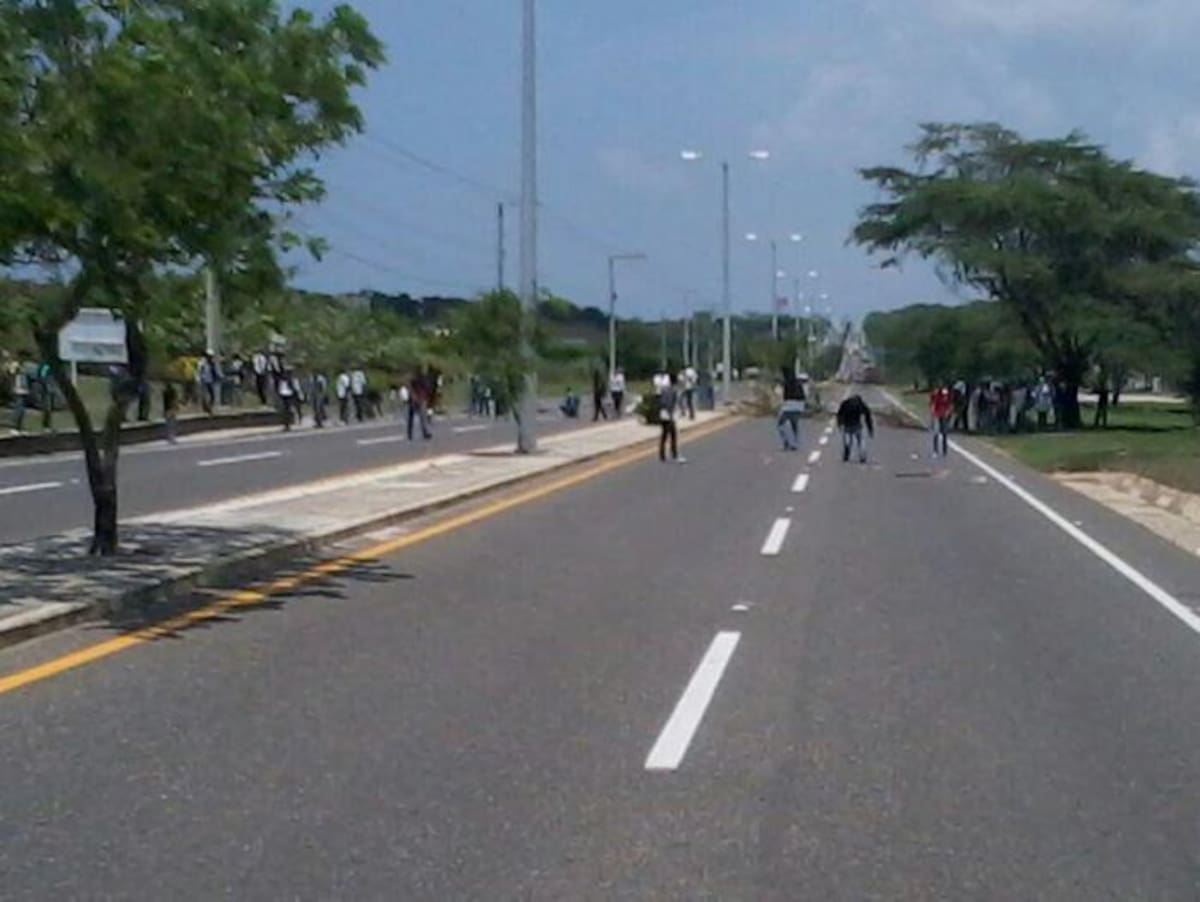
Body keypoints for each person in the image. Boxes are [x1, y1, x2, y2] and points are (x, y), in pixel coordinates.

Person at [837, 393, 874, 464]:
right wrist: (870, 430)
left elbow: (839, 414)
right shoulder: (861, 404)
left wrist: (840, 424)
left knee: (848, 441)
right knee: (861, 441)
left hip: (847, 425)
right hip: (857, 425)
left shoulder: (845, 403)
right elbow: (868, 417)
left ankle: (847, 453)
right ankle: (862, 456)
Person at [658, 373, 685, 463]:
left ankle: (662, 455)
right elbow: (671, 403)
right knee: (673, 435)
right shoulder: (674, 390)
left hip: (662, 412)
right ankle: (674, 454)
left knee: (664, 434)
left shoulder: (663, 389)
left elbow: (661, 400)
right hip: (669, 414)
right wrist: (671, 414)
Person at [777, 367, 806, 451]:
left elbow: (784, 397)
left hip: (789, 405)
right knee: (794, 425)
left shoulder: (786, 383)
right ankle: (795, 444)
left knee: (780, 424)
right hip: (800, 406)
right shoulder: (798, 382)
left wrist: (782, 405)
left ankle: (786, 442)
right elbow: (803, 396)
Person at [407, 369, 432, 440]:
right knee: (415, 416)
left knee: (421, 416)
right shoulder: (417, 379)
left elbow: (427, 390)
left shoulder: (422, 379)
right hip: (417, 399)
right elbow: (411, 388)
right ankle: (411, 433)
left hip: (420, 398)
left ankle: (423, 432)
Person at [930, 385, 954, 457]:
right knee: (936, 433)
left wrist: (948, 412)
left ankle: (944, 451)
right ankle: (935, 451)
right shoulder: (936, 395)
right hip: (937, 414)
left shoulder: (949, 395)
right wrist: (933, 414)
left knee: (944, 433)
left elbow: (950, 405)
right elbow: (933, 404)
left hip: (944, 415)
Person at [9, 357, 30, 433]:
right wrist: (17, 368)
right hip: (18, 390)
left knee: (22, 410)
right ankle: (14, 427)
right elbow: (11, 374)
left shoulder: (24, 366)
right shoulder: (15, 364)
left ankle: (20, 427)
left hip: (25, 390)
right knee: (18, 409)